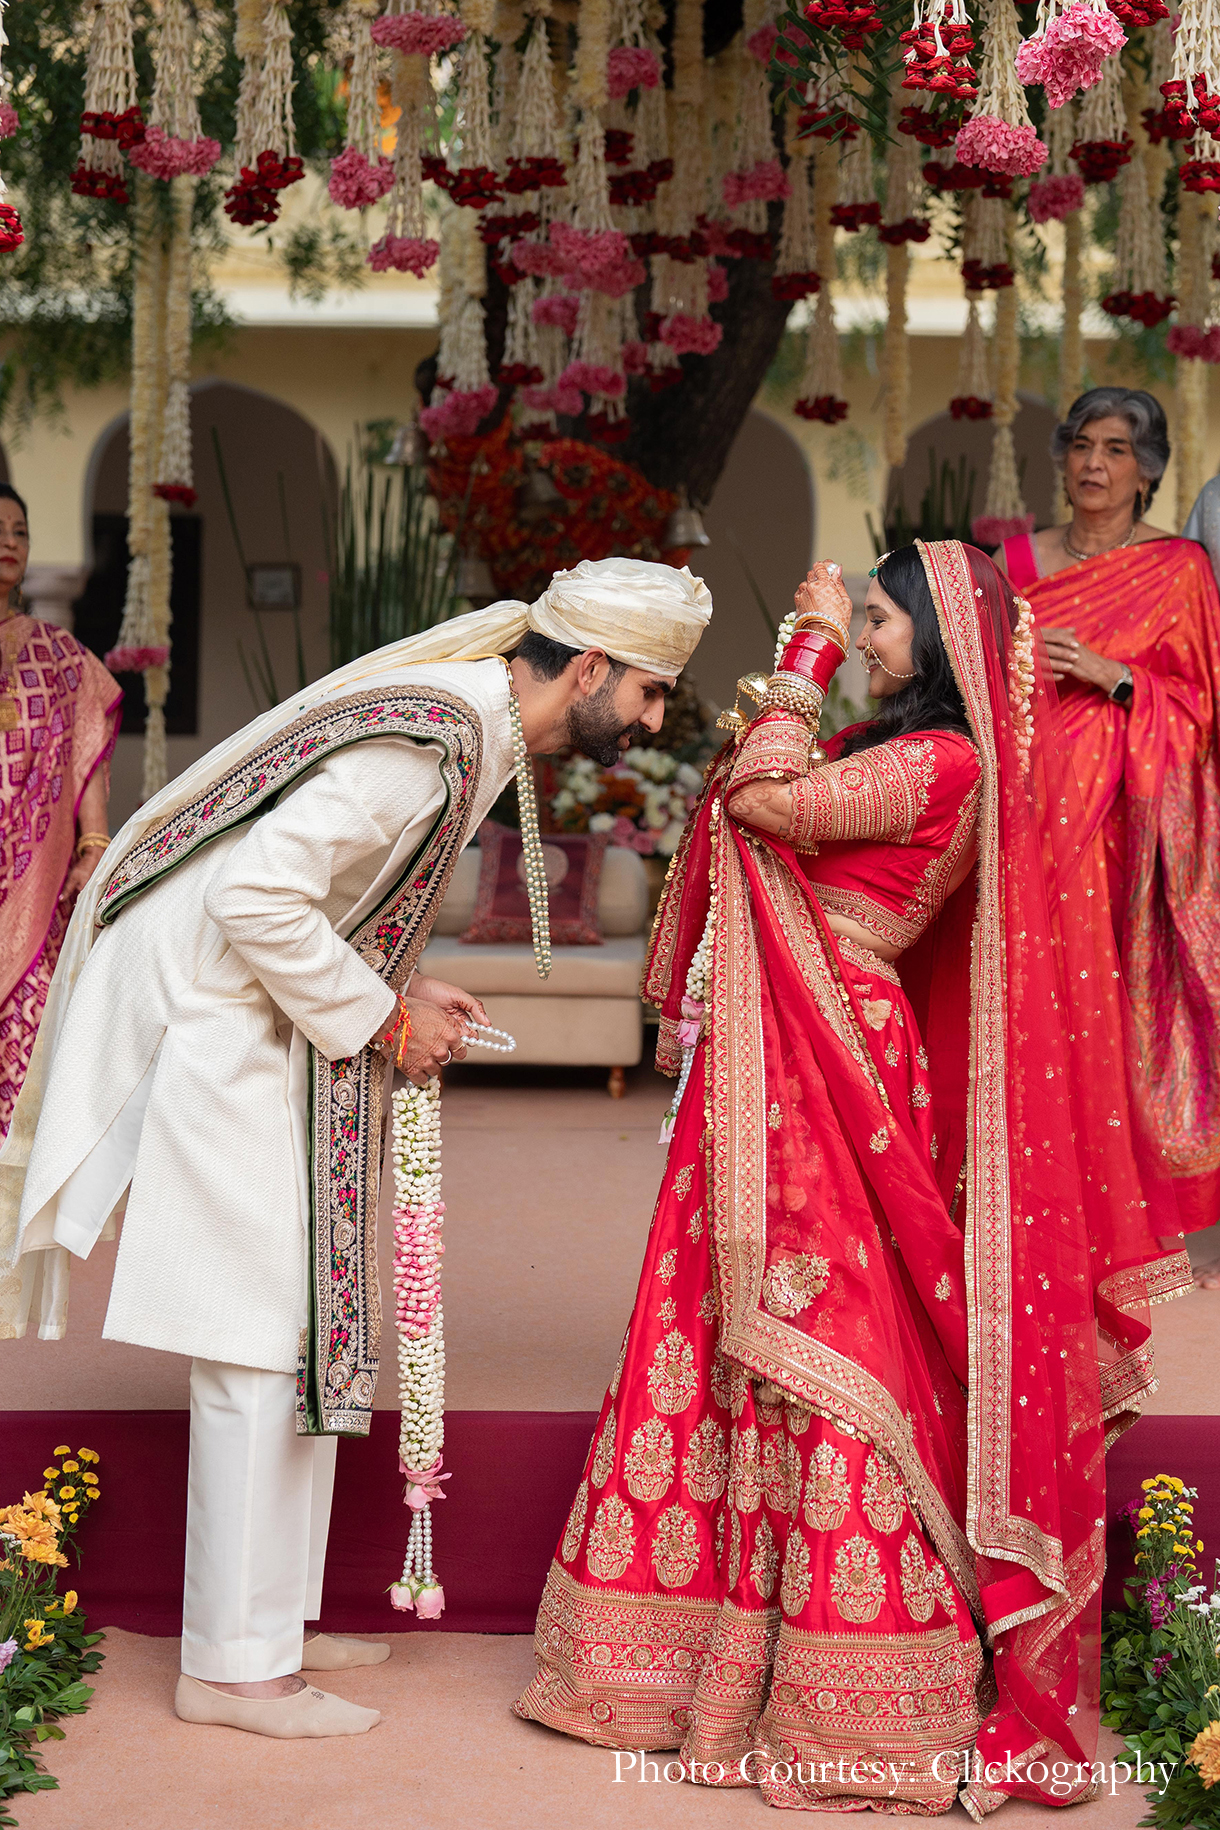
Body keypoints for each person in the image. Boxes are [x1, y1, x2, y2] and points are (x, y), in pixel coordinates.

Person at [514, 541, 1187, 1813]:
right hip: (785, 1059)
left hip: (832, 1063)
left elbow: (768, 800)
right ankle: (695, 1660)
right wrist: (813, 666)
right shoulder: (913, 752)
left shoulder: (942, 761)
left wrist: (800, 653)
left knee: (829, 1335)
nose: (866, 637)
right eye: (859, 620)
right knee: (724, 1331)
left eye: (879, 621)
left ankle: (857, 1684)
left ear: (932, 638)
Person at [0, 556, 712, 1740]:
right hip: (211, 1024)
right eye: (644, 692)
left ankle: (266, 1624)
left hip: (262, 1014)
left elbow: (303, 900)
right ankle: (229, 1668)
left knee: (300, 1328)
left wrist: (394, 978)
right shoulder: (422, 748)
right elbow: (258, 901)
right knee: (251, 1337)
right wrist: (385, 1014)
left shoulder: (470, 724)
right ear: (586, 666)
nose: (646, 718)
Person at [998, 387, 1220, 1244]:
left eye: (1117, 449)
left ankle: (1100, 1212)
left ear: (1149, 469)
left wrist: (1114, 674)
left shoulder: (1179, 571)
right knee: (1020, 994)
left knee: (1095, 1000)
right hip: (1016, 810)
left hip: (1119, 827)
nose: (1094, 463)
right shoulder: (1010, 561)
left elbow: (1202, 714)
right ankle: (1016, 1189)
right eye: (1083, 445)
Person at [0, 484, 122, 1138]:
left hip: (35, 883)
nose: (9, 542)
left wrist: (93, 844)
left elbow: (86, 752)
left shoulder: (61, 656)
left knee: (31, 1050)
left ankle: (15, 1224)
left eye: (19, 531)